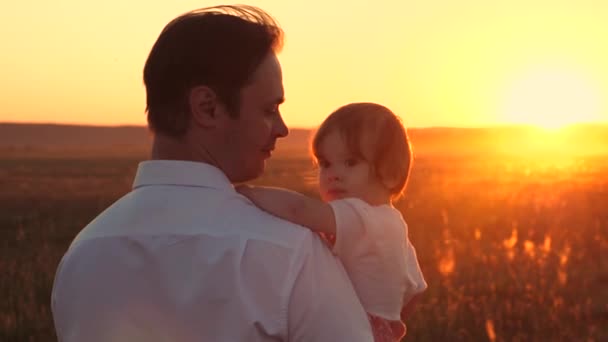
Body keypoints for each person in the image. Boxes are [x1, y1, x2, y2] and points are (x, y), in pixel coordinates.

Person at [51, 5, 374, 341]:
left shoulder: (84, 255)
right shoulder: (290, 253)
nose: (282, 128)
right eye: (269, 109)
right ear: (207, 107)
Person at [237, 102, 428, 341]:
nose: (334, 174)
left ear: (390, 173)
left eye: (350, 162)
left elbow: (298, 209)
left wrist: (247, 193)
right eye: (326, 164)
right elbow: (417, 289)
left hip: (349, 326)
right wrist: (388, 318)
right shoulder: (394, 223)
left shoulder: (360, 216)